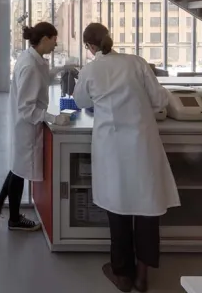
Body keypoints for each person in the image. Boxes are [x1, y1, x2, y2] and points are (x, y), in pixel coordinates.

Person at [72, 23, 179, 293]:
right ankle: (143, 276)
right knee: (147, 208)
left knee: (117, 208)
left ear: (90, 47)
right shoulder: (136, 62)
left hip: (112, 147)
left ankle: (122, 274)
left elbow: (81, 102)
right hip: (142, 144)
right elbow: (158, 100)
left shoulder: (90, 69)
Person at [0, 22, 76, 233]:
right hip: (26, 125)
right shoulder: (30, 66)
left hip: (25, 126)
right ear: (45, 38)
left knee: (19, 168)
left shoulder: (32, 59)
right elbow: (26, 107)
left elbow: (43, 77)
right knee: (20, 170)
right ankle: (13, 218)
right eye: (54, 39)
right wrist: (53, 118)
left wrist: (62, 69)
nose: (56, 44)